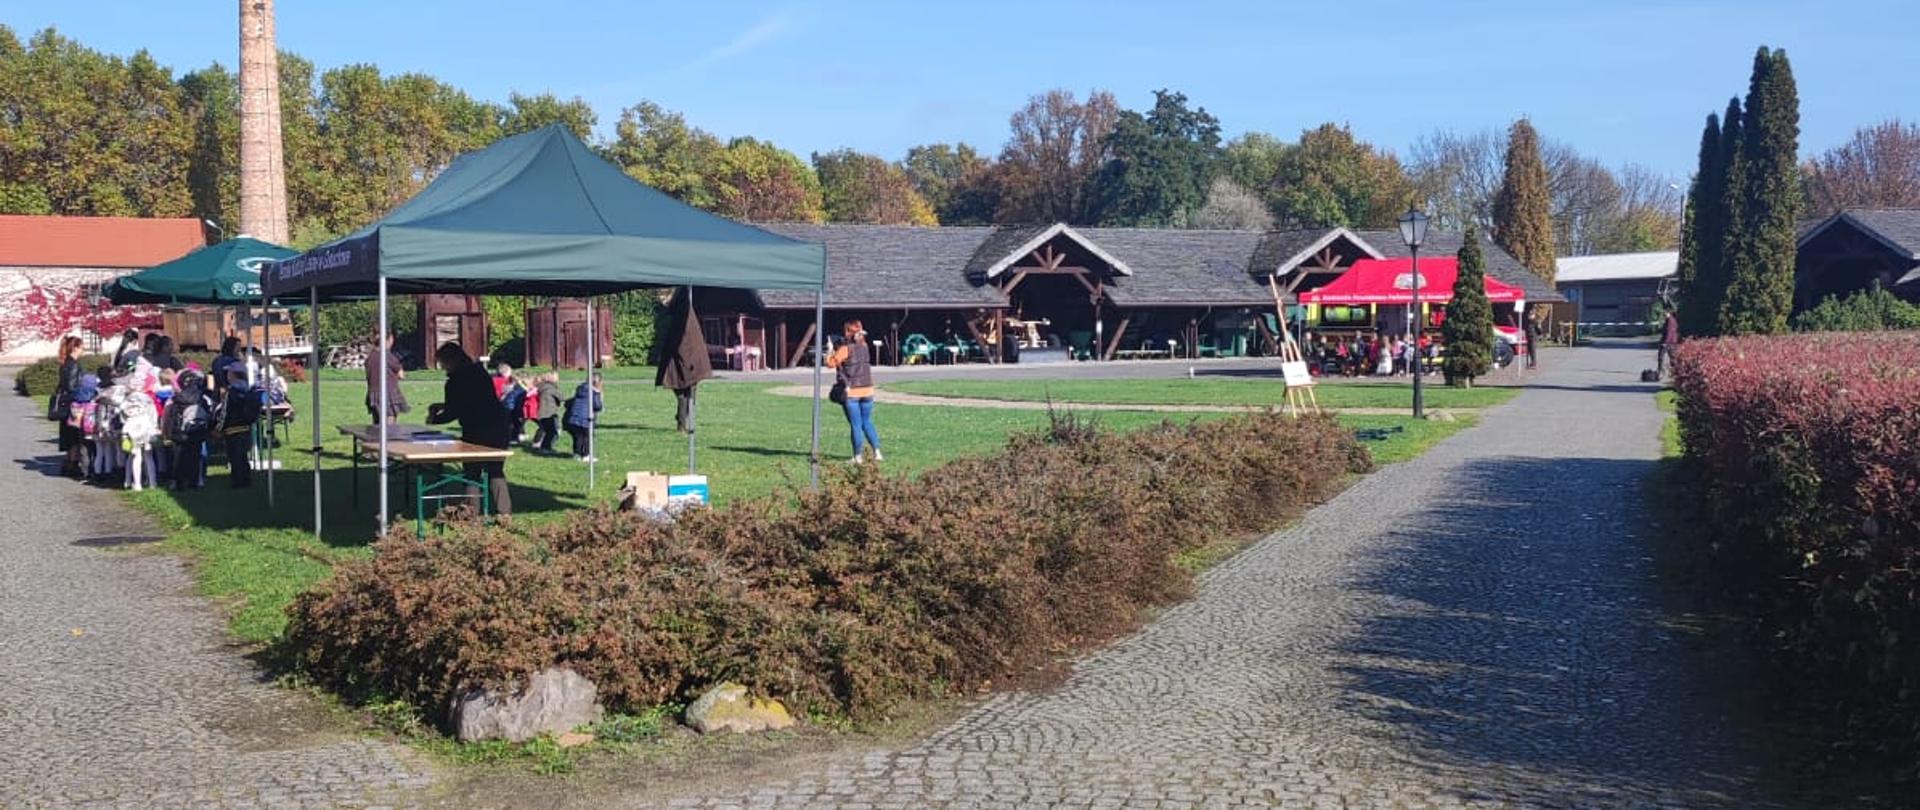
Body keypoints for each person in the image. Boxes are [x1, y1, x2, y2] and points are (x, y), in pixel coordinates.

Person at [426, 343, 512, 516]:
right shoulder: (480, 373)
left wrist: (434, 419)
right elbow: (475, 400)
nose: (442, 367)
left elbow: (454, 410)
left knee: (472, 471)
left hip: (477, 428)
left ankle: (471, 513)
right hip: (498, 423)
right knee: (495, 470)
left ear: (450, 361)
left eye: (443, 363)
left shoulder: (454, 382)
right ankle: (505, 513)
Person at [826, 319, 882, 463]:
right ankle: (877, 452)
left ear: (848, 332)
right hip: (868, 389)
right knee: (867, 422)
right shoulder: (865, 346)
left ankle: (858, 456)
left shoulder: (846, 349)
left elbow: (831, 363)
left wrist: (830, 349)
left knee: (856, 424)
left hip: (852, 391)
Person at [165, 368, 212, 490]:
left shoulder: (176, 399)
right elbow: (208, 415)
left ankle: (179, 483)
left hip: (180, 433)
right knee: (195, 457)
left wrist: (169, 434)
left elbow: (170, 417)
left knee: (178, 458)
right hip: (197, 431)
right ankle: (194, 482)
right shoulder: (202, 399)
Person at [216, 367, 262, 489]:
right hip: (246, 427)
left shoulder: (231, 392)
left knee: (235, 458)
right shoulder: (248, 390)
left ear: (233, 376)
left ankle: (237, 482)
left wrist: (218, 428)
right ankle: (246, 480)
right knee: (243, 457)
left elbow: (224, 412)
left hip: (232, 429)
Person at [53, 336, 87, 477]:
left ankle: (68, 463)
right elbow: (72, 386)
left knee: (68, 435)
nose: (83, 349)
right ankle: (72, 465)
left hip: (65, 403)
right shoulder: (73, 364)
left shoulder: (65, 363)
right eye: (82, 346)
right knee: (74, 436)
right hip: (72, 403)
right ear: (75, 347)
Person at [365, 332, 408, 423]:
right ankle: (390, 437)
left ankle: (377, 437)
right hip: (388, 392)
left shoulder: (370, 357)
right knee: (390, 419)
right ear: (388, 340)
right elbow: (401, 375)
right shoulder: (388, 356)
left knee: (377, 421)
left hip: (373, 393)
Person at [564, 374, 603, 461]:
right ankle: (586, 455)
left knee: (578, 437)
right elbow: (598, 406)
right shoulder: (594, 392)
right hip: (585, 418)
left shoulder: (581, 389)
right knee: (588, 437)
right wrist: (599, 394)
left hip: (574, 417)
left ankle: (577, 454)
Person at [532, 372, 563, 454]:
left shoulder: (542, 387)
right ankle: (546, 447)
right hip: (549, 413)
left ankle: (541, 445)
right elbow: (561, 397)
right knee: (552, 432)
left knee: (547, 431)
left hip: (542, 412)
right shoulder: (551, 389)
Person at [1658, 310, 1679, 377]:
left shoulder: (1670, 321)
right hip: (1672, 342)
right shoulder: (1672, 320)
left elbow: (1669, 332)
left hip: (1668, 342)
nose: (1664, 314)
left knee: (1661, 357)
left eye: (1665, 313)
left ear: (1668, 313)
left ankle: (1660, 371)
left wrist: (1665, 342)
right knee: (1672, 357)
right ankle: (1675, 372)